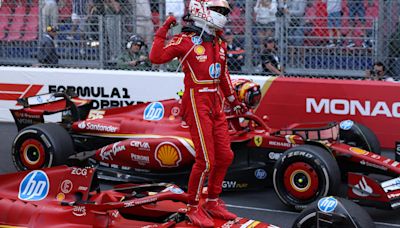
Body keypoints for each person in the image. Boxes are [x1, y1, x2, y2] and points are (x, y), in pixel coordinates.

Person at [149, 0, 247, 227]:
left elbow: (223, 76)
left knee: (225, 156)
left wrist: (233, 102)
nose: (222, 15)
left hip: (216, 104)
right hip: (196, 102)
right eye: (218, 10)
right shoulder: (185, 40)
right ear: (201, 10)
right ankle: (193, 206)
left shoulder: (219, 42)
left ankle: (212, 201)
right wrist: (163, 31)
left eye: (224, 11)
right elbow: (156, 58)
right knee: (206, 160)